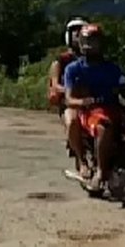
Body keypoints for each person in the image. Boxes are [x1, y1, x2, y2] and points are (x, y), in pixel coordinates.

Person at [62, 24, 125, 192]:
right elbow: (69, 98)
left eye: (93, 41)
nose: (89, 46)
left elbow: (124, 87)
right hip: (92, 111)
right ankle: (100, 171)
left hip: (114, 108)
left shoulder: (112, 68)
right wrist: (84, 102)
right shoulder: (73, 69)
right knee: (103, 126)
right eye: (86, 41)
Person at [48, 17, 90, 177]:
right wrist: (70, 90)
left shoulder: (93, 59)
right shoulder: (61, 61)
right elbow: (55, 84)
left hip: (92, 101)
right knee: (72, 121)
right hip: (70, 103)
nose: (78, 36)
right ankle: (81, 160)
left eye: (81, 32)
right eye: (75, 32)